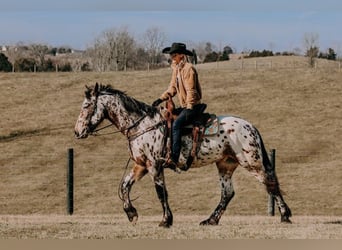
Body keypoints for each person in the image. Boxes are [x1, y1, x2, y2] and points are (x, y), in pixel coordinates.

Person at [152, 42, 203, 171]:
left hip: (193, 106)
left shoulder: (188, 69)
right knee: (166, 118)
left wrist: (190, 106)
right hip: (184, 106)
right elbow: (172, 88)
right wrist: (160, 98)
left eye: (174, 55)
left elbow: (191, 90)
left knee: (176, 125)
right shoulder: (177, 69)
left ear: (181, 55)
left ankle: (174, 158)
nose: (172, 57)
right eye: (171, 55)